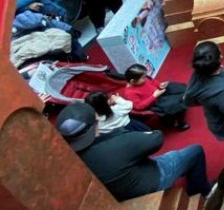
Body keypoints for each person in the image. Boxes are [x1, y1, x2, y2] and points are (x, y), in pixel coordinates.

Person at [56, 102, 211, 202]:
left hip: (118, 194)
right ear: (96, 120)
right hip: (150, 183)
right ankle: (201, 192)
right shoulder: (116, 143)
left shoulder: (69, 159)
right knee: (195, 151)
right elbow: (156, 138)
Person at [122, 63, 190, 130]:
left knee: (179, 88)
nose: (145, 78)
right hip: (153, 102)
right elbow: (139, 106)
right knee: (174, 103)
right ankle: (177, 122)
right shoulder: (129, 93)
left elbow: (152, 82)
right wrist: (154, 96)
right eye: (143, 78)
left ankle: (181, 106)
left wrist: (160, 85)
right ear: (132, 81)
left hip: (159, 92)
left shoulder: (143, 79)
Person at [84, 90, 151, 134]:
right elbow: (129, 105)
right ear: (106, 103)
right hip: (131, 126)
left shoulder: (96, 122)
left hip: (119, 135)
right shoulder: (116, 109)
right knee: (147, 133)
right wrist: (117, 99)